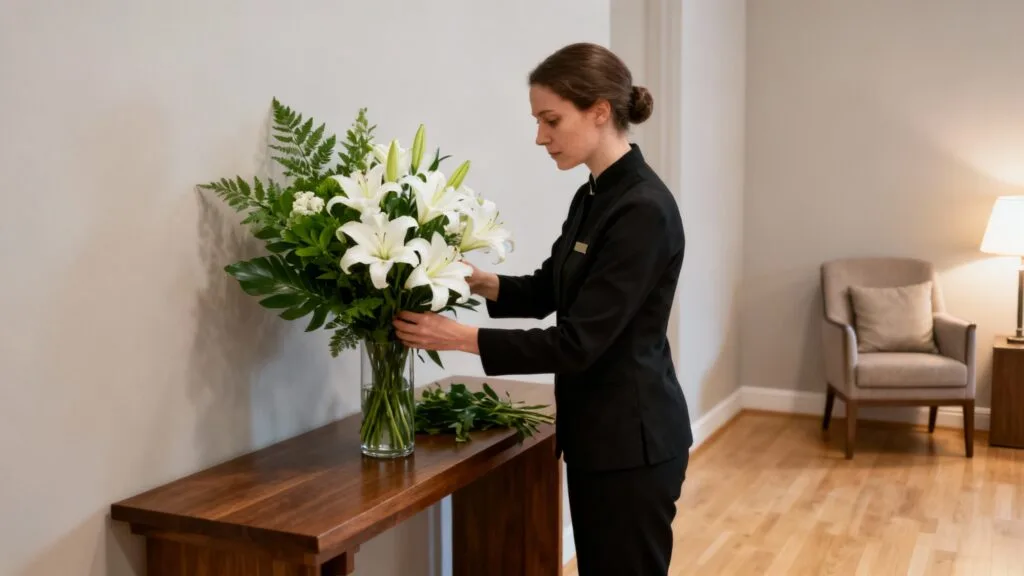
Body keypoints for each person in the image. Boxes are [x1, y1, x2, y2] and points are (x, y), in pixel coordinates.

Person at [393, 42, 692, 575]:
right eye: (538, 121)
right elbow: (551, 288)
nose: (539, 137)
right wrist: (481, 282)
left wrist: (459, 338)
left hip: (634, 442)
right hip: (596, 435)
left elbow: (577, 343)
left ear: (599, 110)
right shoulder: (593, 195)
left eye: (551, 120)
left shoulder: (643, 210)